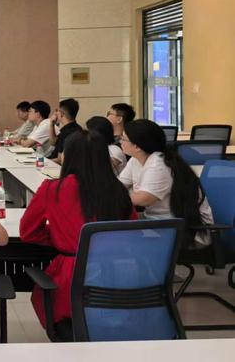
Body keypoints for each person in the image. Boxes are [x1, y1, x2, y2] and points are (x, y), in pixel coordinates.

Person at [20, 130, 136, 341]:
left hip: (72, 276)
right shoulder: (118, 190)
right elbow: (130, 232)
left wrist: (59, 237)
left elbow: (28, 232)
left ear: (67, 156)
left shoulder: (53, 188)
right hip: (118, 275)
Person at [119, 119, 213, 247]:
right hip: (160, 221)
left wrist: (115, 197)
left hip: (187, 230)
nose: (120, 142)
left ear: (137, 146)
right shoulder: (136, 160)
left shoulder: (159, 164)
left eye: (123, 139)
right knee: (116, 226)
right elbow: (117, 186)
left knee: (119, 233)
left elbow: (144, 199)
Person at [48, 98, 81, 162]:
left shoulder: (65, 133)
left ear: (61, 114)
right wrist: (52, 124)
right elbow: (53, 142)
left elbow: (59, 160)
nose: (55, 113)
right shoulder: (78, 128)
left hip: (57, 166)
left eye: (57, 111)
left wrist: (43, 161)